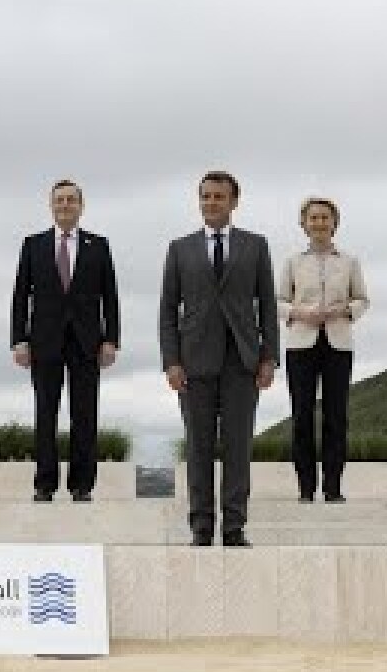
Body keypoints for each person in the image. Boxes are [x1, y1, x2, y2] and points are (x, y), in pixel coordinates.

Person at [158, 170, 279, 548]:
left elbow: (268, 306)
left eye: (219, 197)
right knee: (198, 446)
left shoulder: (256, 246)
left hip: (242, 360)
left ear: (233, 202)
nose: (212, 203)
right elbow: (167, 310)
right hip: (193, 361)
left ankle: (234, 527)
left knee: (238, 447)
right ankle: (201, 526)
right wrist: (171, 361)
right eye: (206, 196)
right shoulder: (179, 249)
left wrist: (269, 357)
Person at [11, 179, 120, 502]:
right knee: (45, 413)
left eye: (71, 200)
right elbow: (20, 296)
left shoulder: (98, 245)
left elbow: (110, 297)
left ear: (81, 206)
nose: (65, 205)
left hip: (87, 341)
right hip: (44, 341)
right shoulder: (33, 245)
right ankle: (44, 483)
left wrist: (111, 338)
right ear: (51, 205)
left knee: (84, 415)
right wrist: (19, 339)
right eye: (59, 200)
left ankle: (81, 484)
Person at [276, 197, 369, 503]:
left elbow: (362, 299)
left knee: (336, 416)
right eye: (313, 218)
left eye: (324, 217)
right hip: (301, 343)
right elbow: (276, 301)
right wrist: (299, 313)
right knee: (302, 416)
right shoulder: (292, 262)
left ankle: (333, 487)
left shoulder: (350, 261)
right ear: (304, 223)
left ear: (334, 222)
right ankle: (305, 488)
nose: (319, 223)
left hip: (338, 343)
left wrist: (346, 310)